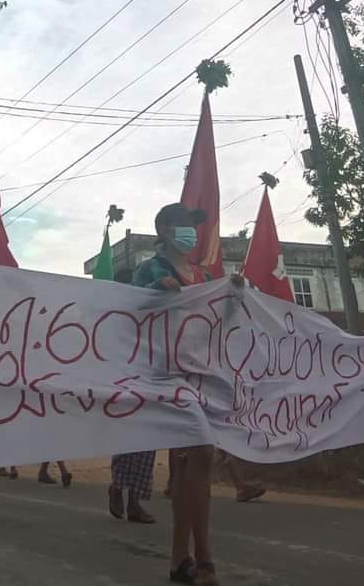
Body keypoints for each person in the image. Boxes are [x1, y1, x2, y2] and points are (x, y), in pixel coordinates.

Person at [128, 202, 227, 586]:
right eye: (186, 224)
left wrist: (233, 295)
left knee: (190, 466)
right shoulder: (150, 269)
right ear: (166, 230)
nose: (193, 232)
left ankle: (178, 559)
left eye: (195, 225)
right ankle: (204, 560)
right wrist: (155, 290)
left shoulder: (201, 274)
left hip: (199, 373)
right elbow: (126, 309)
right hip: (164, 375)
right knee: (201, 451)